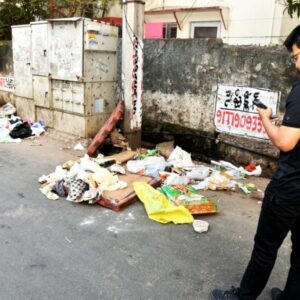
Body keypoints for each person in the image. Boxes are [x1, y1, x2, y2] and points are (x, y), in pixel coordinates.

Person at [211, 25, 300, 300]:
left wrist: (265, 120)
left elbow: (286, 142)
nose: (296, 65)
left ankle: (242, 298)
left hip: (289, 188)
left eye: (297, 56)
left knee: (265, 248)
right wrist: (283, 121)